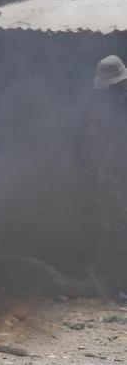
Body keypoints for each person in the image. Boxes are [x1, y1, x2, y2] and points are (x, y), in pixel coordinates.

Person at [85, 55, 127, 301]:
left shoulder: (104, 106)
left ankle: (114, 286)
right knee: (115, 231)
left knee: (115, 231)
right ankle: (114, 287)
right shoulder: (105, 108)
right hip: (112, 179)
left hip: (111, 177)